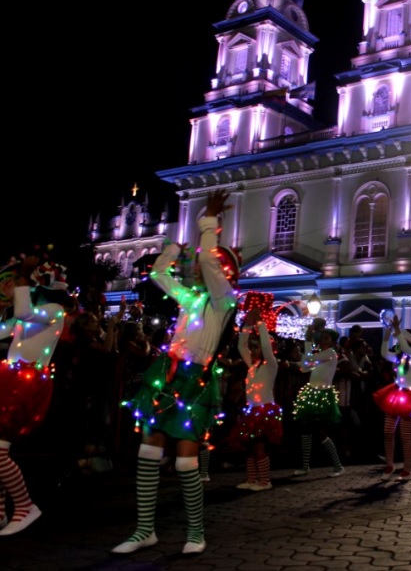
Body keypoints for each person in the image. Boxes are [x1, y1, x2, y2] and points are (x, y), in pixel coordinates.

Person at [113, 189, 239, 555]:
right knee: (148, 452)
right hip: (166, 375)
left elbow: (212, 266)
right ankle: (143, 531)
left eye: (205, 265)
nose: (198, 269)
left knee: (186, 460)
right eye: (196, 266)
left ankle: (196, 532)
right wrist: (172, 251)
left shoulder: (223, 301)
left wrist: (208, 223)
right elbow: (156, 274)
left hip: (195, 381)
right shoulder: (192, 298)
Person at [0, 256, 71, 536]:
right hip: (11, 379)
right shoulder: (28, 313)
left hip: (26, 382)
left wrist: (23, 278)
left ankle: (25, 506)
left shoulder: (54, 310)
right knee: (1, 450)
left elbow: (25, 312)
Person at [231, 306, 282, 491]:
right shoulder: (251, 366)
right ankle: (252, 479)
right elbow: (240, 346)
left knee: (259, 446)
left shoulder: (271, 366)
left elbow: (266, 347)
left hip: (264, 410)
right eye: (253, 347)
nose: (253, 349)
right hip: (252, 410)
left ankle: (264, 481)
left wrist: (260, 323)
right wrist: (246, 325)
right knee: (250, 447)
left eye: (256, 346)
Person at [373, 316, 411, 482]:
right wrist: (387, 335)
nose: (401, 344)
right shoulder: (401, 358)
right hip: (396, 395)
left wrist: (397, 330)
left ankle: (407, 468)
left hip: (410, 397)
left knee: (405, 435)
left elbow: (404, 346)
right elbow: (383, 353)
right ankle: (390, 464)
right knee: (388, 432)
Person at [291, 328, 345, 478]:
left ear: (333, 342)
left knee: (321, 434)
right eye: (322, 337)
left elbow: (307, 361)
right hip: (311, 394)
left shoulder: (330, 354)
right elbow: (304, 368)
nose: (322, 340)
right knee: (305, 431)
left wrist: (307, 343)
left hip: (322, 396)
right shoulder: (320, 355)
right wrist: (306, 352)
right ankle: (305, 466)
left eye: (326, 338)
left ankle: (338, 466)